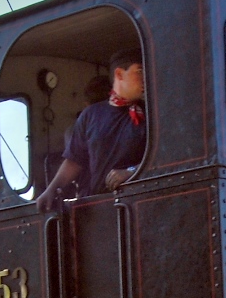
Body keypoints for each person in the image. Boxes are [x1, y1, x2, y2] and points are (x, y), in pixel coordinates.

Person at [36, 49, 146, 212]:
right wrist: (51, 190)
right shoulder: (91, 115)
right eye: (139, 71)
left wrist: (133, 172)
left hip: (137, 203)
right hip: (99, 206)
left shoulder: (149, 113)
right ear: (119, 74)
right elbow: (75, 160)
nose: (145, 77)